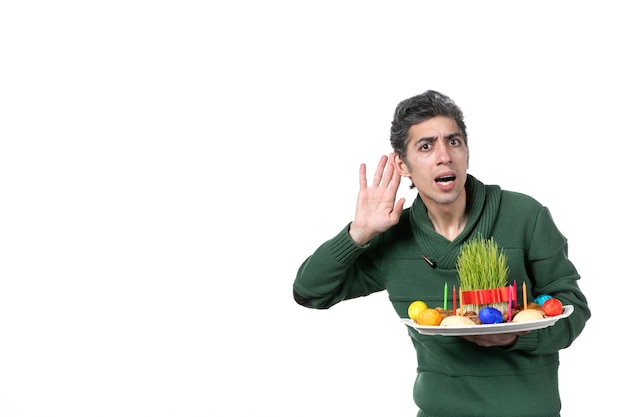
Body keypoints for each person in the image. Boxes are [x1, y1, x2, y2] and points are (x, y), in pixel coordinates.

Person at [292, 90, 591, 417]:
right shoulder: (392, 238)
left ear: (466, 151)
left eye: (454, 142)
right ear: (402, 165)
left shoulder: (525, 216)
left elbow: (573, 310)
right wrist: (358, 233)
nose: (444, 156)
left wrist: (514, 338)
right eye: (425, 146)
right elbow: (310, 293)